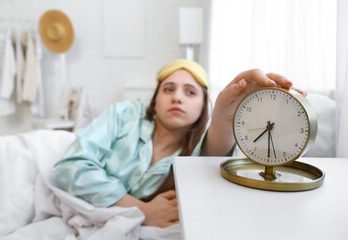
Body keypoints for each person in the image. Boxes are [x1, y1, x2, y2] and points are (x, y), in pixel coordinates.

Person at [52, 59, 297, 228]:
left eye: (190, 92)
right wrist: (141, 210)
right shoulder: (124, 114)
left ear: (203, 106)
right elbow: (69, 168)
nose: (177, 96)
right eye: (168, 89)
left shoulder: (200, 149)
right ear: (155, 99)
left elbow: (214, 152)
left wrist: (224, 113)